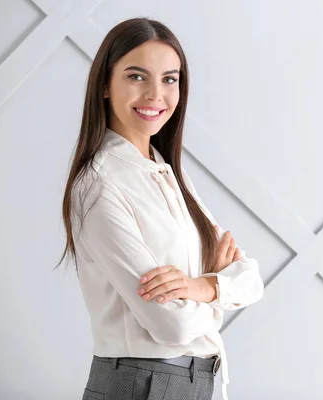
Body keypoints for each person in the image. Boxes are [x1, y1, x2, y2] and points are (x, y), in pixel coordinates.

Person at [55, 17, 264, 400]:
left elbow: (252, 280)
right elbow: (172, 326)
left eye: (170, 79)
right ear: (104, 83)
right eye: (137, 77)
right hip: (143, 384)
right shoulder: (100, 186)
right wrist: (219, 295)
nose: (156, 94)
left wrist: (201, 286)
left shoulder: (165, 173)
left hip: (191, 382)